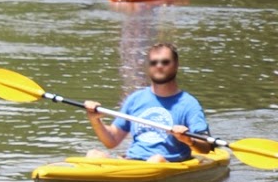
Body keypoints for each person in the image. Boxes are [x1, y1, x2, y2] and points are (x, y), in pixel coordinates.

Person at [84, 42, 212, 163]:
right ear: (148, 67)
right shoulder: (135, 99)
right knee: (93, 155)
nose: (159, 66)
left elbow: (206, 146)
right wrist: (95, 121)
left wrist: (189, 140)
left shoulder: (189, 104)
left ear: (176, 65)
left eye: (165, 62)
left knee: (156, 159)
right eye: (154, 62)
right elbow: (111, 141)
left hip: (166, 163)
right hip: (133, 161)